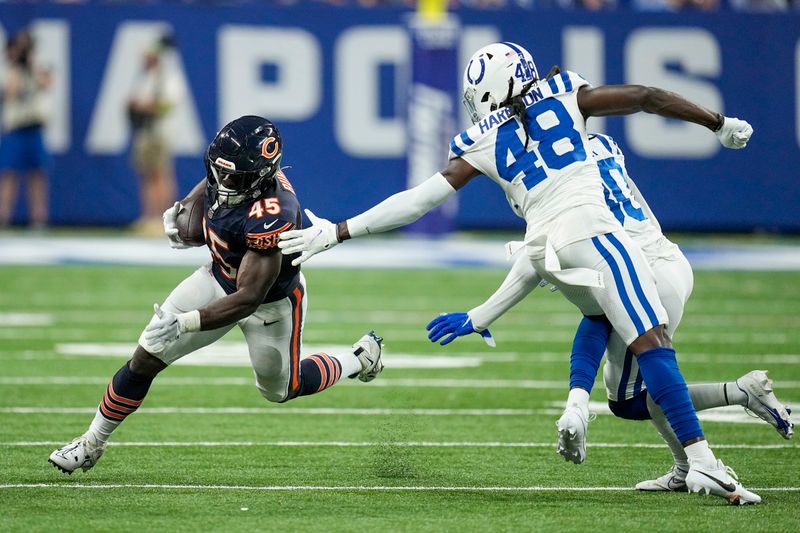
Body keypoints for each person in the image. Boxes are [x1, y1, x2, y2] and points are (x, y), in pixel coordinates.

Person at [278, 42, 760, 504]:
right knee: (650, 341)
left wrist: (341, 230)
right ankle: (702, 461)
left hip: (548, 250)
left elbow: (419, 200)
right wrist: (717, 122)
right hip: (592, 230)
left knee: (608, 326)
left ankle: (608, 420)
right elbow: (647, 97)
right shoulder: (567, 95)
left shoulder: (482, 138)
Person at [425, 131, 794, 491]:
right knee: (626, 380)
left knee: (632, 396)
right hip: (665, 260)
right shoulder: (600, 144)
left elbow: (534, 261)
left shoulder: (552, 167)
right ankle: (693, 456)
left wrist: (481, 316)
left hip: (645, 270)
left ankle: (722, 427)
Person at [48, 116, 384, 474]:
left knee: (281, 389)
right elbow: (210, 183)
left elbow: (248, 298)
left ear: (260, 176)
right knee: (145, 357)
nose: (223, 183)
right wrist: (183, 210)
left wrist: (187, 322)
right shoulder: (231, 172)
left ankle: (359, 357)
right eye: (219, 171)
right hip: (217, 277)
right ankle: (90, 442)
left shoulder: (275, 211)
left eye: (233, 178)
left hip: (270, 304)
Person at [127, 33, 182, 235]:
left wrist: (144, 106)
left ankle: (163, 218)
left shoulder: (168, 77)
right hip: (145, 130)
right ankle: (148, 217)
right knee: (146, 174)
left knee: (161, 174)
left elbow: (168, 104)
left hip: (160, 131)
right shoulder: (146, 77)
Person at [0, 29, 52, 229]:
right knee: (8, 173)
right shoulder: (10, 69)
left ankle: (38, 218)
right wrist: (18, 66)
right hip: (15, 129)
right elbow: (11, 91)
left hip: (34, 127)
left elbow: (46, 82)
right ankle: (4, 217)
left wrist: (31, 66)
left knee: (37, 175)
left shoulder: (38, 67)